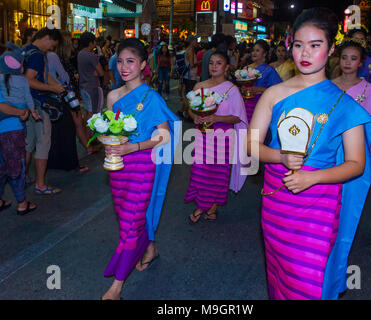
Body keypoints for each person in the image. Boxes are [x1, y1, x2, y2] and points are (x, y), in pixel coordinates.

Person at [247, 7, 371, 300]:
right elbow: (250, 145)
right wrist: (279, 156)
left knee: (307, 282)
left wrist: (313, 177)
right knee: (280, 273)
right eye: (298, 44)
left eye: (315, 45)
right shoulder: (274, 94)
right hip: (277, 199)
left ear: (330, 49)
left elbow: (356, 164)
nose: (305, 53)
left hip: (318, 202)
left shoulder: (344, 104)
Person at [102, 38, 180, 300]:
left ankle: (117, 286)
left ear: (143, 65)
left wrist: (133, 148)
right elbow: (110, 130)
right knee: (128, 218)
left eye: (131, 61)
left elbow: (164, 137)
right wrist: (109, 144)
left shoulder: (151, 97)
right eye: (121, 61)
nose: (124, 67)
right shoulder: (113, 96)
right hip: (118, 167)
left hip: (142, 165)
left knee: (130, 225)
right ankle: (151, 247)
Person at [185, 51, 248, 222]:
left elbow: (238, 116)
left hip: (223, 137)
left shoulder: (231, 89)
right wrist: (194, 116)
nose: (213, 66)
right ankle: (208, 207)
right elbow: (190, 109)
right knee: (200, 172)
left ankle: (205, 207)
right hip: (202, 135)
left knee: (218, 174)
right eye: (211, 63)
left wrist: (216, 118)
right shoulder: (199, 86)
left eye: (218, 63)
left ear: (227, 67)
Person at [24, 28, 64, 195]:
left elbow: (41, 75)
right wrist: (51, 88)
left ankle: (24, 177)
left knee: (28, 143)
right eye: (52, 45)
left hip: (27, 104)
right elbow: (29, 79)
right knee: (42, 143)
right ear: (47, 38)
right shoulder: (38, 55)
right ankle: (40, 185)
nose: (51, 49)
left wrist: (55, 85)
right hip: (39, 104)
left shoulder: (26, 50)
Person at [333, 39, 371, 154]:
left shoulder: (367, 89)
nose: (348, 62)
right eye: (344, 58)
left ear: (360, 62)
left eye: (353, 59)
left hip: (354, 146)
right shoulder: (329, 86)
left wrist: (356, 121)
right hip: (329, 144)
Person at [0, 46, 37, 215]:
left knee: (2, 166)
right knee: (16, 166)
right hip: (11, 129)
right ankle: (22, 202)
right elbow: (3, 106)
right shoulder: (17, 80)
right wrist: (23, 111)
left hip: (8, 128)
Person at [47, 31, 89, 173]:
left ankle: (60, 161)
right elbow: (64, 77)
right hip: (62, 95)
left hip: (53, 97)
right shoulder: (55, 57)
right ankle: (71, 162)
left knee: (57, 131)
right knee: (69, 129)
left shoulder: (49, 56)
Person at [243, 40, 282, 124]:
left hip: (261, 106)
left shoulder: (269, 70)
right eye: (253, 50)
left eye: (257, 50)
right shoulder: (247, 68)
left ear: (264, 53)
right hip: (246, 105)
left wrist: (260, 89)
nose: (254, 53)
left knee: (256, 133)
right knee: (245, 131)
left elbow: (278, 91)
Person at [77, 32, 104, 130]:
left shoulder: (80, 54)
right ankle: (89, 136)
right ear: (90, 43)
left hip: (83, 86)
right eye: (94, 42)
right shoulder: (91, 55)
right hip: (92, 87)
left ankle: (84, 133)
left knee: (87, 111)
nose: (95, 44)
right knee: (92, 112)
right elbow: (101, 72)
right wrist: (96, 72)